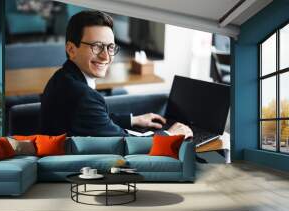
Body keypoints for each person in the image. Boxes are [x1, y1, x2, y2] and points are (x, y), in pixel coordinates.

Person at [40, 10, 193, 138]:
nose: (106, 57)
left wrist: (134, 120)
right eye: (97, 47)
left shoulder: (61, 77)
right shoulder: (83, 97)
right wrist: (169, 135)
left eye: (110, 47)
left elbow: (96, 120)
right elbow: (127, 144)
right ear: (71, 49)